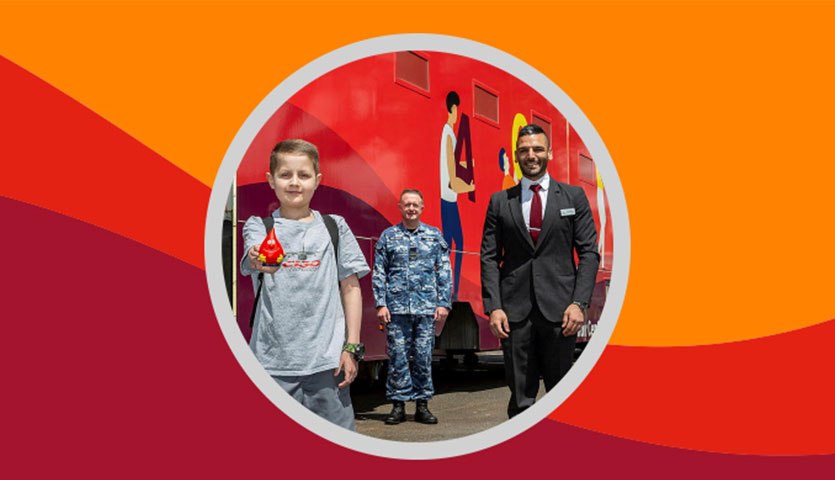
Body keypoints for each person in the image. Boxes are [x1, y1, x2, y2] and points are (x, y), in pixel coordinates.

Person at [241, 139, 370, 431]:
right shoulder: (259, 226)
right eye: (285, 175)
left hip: (328, 367)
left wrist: (351, 347)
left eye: (304, 175)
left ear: (317, 181)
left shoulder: (334, 227)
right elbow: (256, 255)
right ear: (271, 180)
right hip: (271, 367)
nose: (294, 182)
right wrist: (259, 259)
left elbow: (350, 288)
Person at [480, 124, 600, 418]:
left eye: (536, 149)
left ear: (549, 153)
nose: (530, 155)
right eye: (524, 151)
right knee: (520, 398)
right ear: (516, 155)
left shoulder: (573, 197)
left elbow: (588, 253)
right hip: (515, 314)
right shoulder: (499, 202)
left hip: (561, 313)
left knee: (561, 396)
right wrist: (494, 307)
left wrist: (579, 303)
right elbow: (489, 257)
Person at [372, 189, 452, 424]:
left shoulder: (434, 236)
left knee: (424, 357)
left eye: (415, 205)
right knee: (397, 357)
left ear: (422, 207)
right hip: (396, 310)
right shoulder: (388, 236)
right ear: (400, 207)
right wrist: (380, 304)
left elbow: (444, 272)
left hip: (426, 308)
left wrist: (443, 303)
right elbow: (379, 272)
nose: (411, 209)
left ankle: (422, 405)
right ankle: (397, 406)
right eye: (407, 205)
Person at [439, 91, 475, 302]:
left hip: (449, 201)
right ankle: (451, 292)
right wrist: (469, 188)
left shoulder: (448, 133)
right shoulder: (449, 133)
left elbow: (451, 165)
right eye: (457, 109)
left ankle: (449, 290)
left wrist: (469, 166)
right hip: (449, 200)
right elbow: (452, 177)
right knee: (456, 244)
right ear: (453, 109)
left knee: (450, 244)